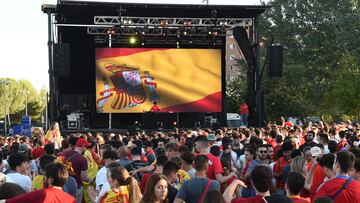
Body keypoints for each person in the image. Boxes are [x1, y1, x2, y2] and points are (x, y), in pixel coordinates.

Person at [3, 163, 76, 203]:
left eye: (45, 176)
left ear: (50, 180)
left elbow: (14, 201)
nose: (43, 179)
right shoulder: (71, 199)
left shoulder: (44, 193)